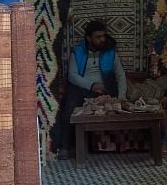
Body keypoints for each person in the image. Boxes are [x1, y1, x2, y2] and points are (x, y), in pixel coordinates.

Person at [53, 20, 128, 158]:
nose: (102, 40)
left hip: (104, 90)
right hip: (82, 88)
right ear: (88, 38)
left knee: (113, 107)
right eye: (98, 37)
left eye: (103, 36)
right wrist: (91, 85)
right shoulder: (78, 52)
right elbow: (72, 76)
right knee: (69, 106)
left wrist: (122, 96)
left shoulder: (110, 52)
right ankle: (65, 147)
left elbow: (120, 75)